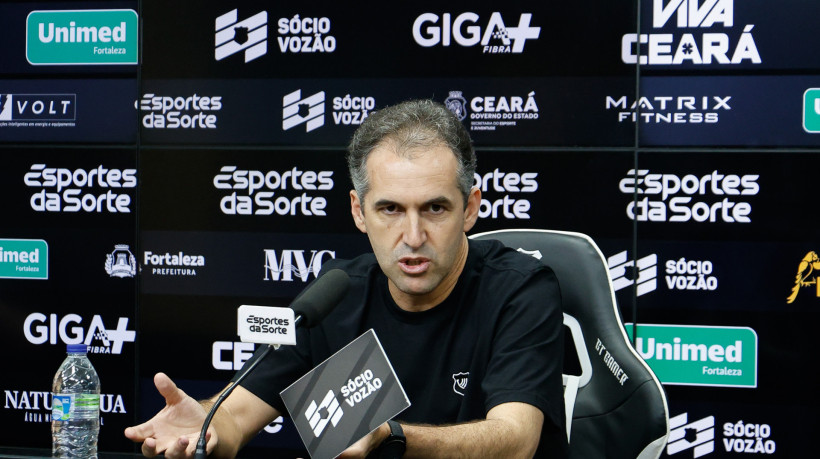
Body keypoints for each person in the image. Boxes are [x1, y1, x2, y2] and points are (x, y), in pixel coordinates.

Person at [124, 100, 567, 458]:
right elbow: (236, 419)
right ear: (359, 211)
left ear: (470, 208)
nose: (413, 237)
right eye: (390, 209)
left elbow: (515, 441)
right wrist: (205, 425)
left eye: (435, 208)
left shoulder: (519, 289)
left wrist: (391, 437)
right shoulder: (336, 294)